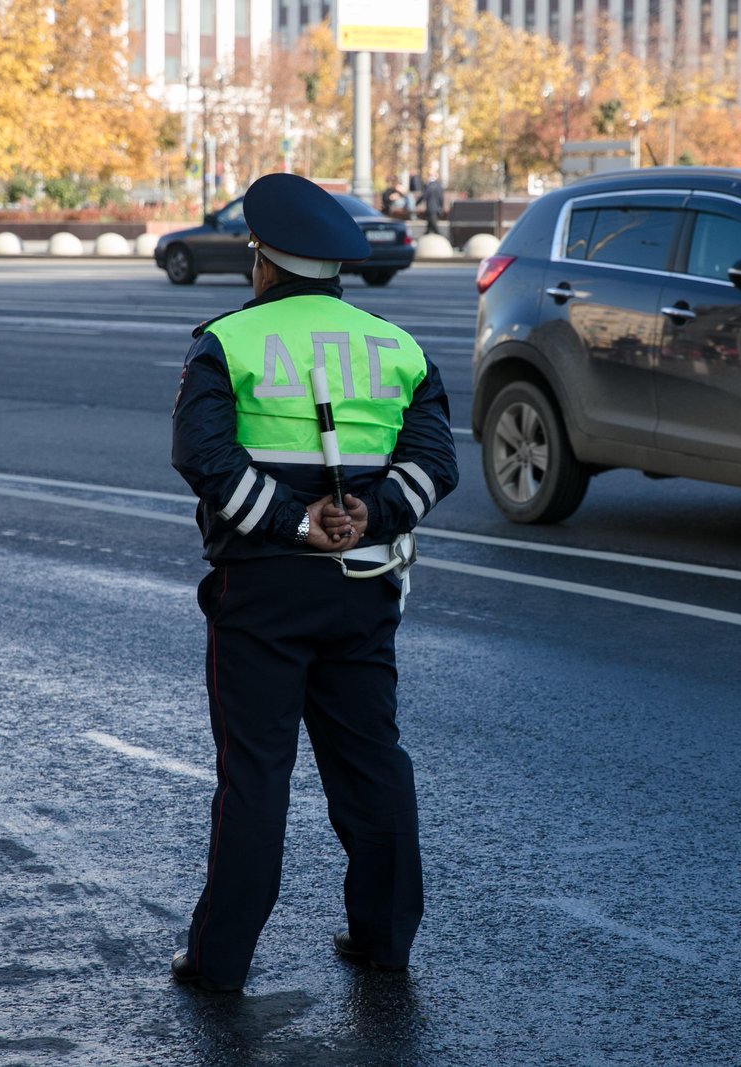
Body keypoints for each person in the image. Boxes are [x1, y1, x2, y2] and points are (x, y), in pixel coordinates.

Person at [169, 172, 459, 993]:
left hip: (261, 589)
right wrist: (369, 515)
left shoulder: (227, 341)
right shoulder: (398, 347)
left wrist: (296, 521)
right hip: (362, 588)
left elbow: (204, 458)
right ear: (332, 268)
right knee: (372, 763)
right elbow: (436, 466)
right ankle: (385, 942)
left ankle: (220, 960)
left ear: (261, 261)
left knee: (256, 773)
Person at [422, 169, 444, 236]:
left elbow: (424, 195)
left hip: (431, 208)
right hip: (436, 208)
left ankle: (442, 239)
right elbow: (441, 198)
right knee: (429, 227)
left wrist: (416, 203)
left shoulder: (429, 185)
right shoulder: (438, 185)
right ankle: (425, 237)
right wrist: (441, 207)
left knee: (435, 228)